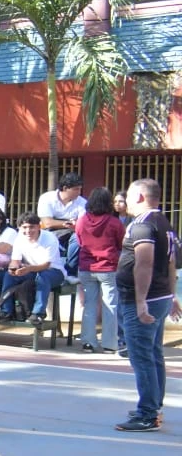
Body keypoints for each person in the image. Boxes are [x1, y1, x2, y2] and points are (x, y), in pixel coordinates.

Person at [115, 178, 180, 432]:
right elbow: (172, 262)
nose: (126, 201)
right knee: (153, 354)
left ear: (140, 197)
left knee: (142, 356)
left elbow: (144, 263)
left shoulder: (142, 225)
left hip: (144, 299)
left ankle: (148, 414)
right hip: (159, 297)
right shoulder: (164, 223)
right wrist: (171, 295)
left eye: (129, 196)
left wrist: (141, 301)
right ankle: (154, 405)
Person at [75, 187, 125, 354]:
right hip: (108, 267)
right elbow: (121, 244)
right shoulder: (114, 222)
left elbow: (80, 241)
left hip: (86, 267)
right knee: (110, 305)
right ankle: (109, 344)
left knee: (89, 304)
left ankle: (88, 343)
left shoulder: (81, 220)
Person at [0, 213, 65, 326]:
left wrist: (29, 269)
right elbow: (15, 260)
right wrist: (13, 268)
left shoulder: (50, 238)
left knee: (43, 276)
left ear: (39, 226)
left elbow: (46, 265)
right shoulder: (19, 238)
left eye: (32, 227)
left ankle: (38, 313)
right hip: (30, 270)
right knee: (9, 276)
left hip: (53, 272)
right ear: (19, 228)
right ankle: (5, 311)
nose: (28, 230)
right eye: (24, 227)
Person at [37, 172, 86, 275]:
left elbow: (82, 224)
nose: (79, 192)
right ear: (65, 188)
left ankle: (70, 272)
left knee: (78, 238)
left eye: (80, 189)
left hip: (72, 233)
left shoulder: (82, 202)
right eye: (76, 189)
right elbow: (47, 223)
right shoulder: (47, 198)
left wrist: (71, 224)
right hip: (49, 231)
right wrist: (68, 223)